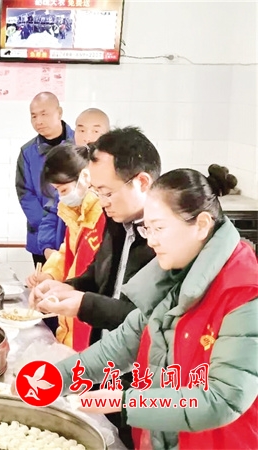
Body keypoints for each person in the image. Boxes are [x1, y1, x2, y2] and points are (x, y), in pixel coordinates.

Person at [53, 169, 258, 450]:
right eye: (147, 229)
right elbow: (119, 347)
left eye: (159, 228)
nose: (151, 241)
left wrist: (124, 401)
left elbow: (223, 399)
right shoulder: (173, 277)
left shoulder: (245, 292)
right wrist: (54, 378)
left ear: (201, 224)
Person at [30, 127, 161, 448]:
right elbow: (97, 276)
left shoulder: (165, 240)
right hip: (106, 365)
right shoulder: (117, 222)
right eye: (97, 191)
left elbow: (146, 323)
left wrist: (82, 303)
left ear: (142, 182)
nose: (101, 202)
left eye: (107, 192)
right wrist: (63, 287)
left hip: (142, 380)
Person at [25, 143, 106, 351]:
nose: (62, 197)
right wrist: (49, 275)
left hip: (89, 313)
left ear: (85, 177)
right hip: (71, 316)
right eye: (57, 191)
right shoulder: (76, 213)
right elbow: (67, 253)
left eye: (64, 190)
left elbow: (94, 272)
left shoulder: (103, 216)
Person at [15, 92, 74, 268]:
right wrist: (47, 231)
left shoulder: (78, 146)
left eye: (44, 114)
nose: (38, 121)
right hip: (40, 237)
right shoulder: (27, 152)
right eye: (33, 116)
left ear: (59, 112)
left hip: (74, 235)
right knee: (43, 282)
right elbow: (25, 193)